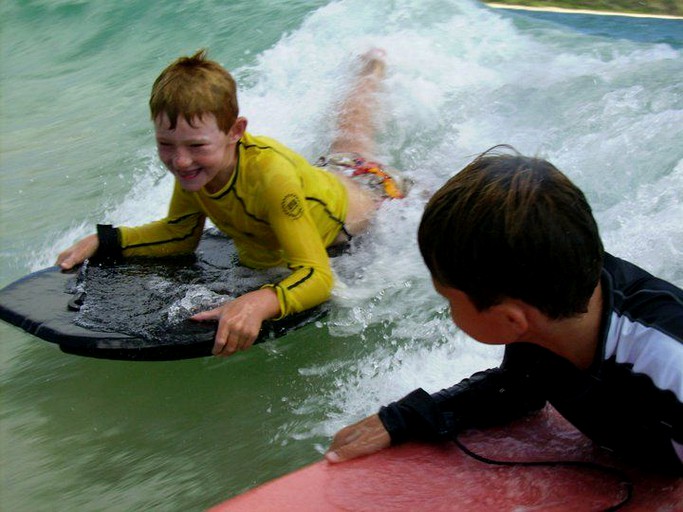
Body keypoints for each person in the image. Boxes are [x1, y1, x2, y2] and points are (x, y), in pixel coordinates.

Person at [325, 147, 683, 473]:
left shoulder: (667, 365)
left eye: (449, 299)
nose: (448, 310)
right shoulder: (552, 299)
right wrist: (406, 418)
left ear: (510, 319)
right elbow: (520, 387)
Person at [56, 48, 411, 357]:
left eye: (196, 146)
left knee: (359, 138)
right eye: (166, 144)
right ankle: (368, 70)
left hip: (379, 194)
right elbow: (179, 235)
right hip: (323, 183)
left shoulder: (272, 178)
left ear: (235, 132)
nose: (180, 161)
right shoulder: (198, 172)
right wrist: (106, 240)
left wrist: (259, 301)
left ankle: (372, 70)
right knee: (348, 137)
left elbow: (318, 277)